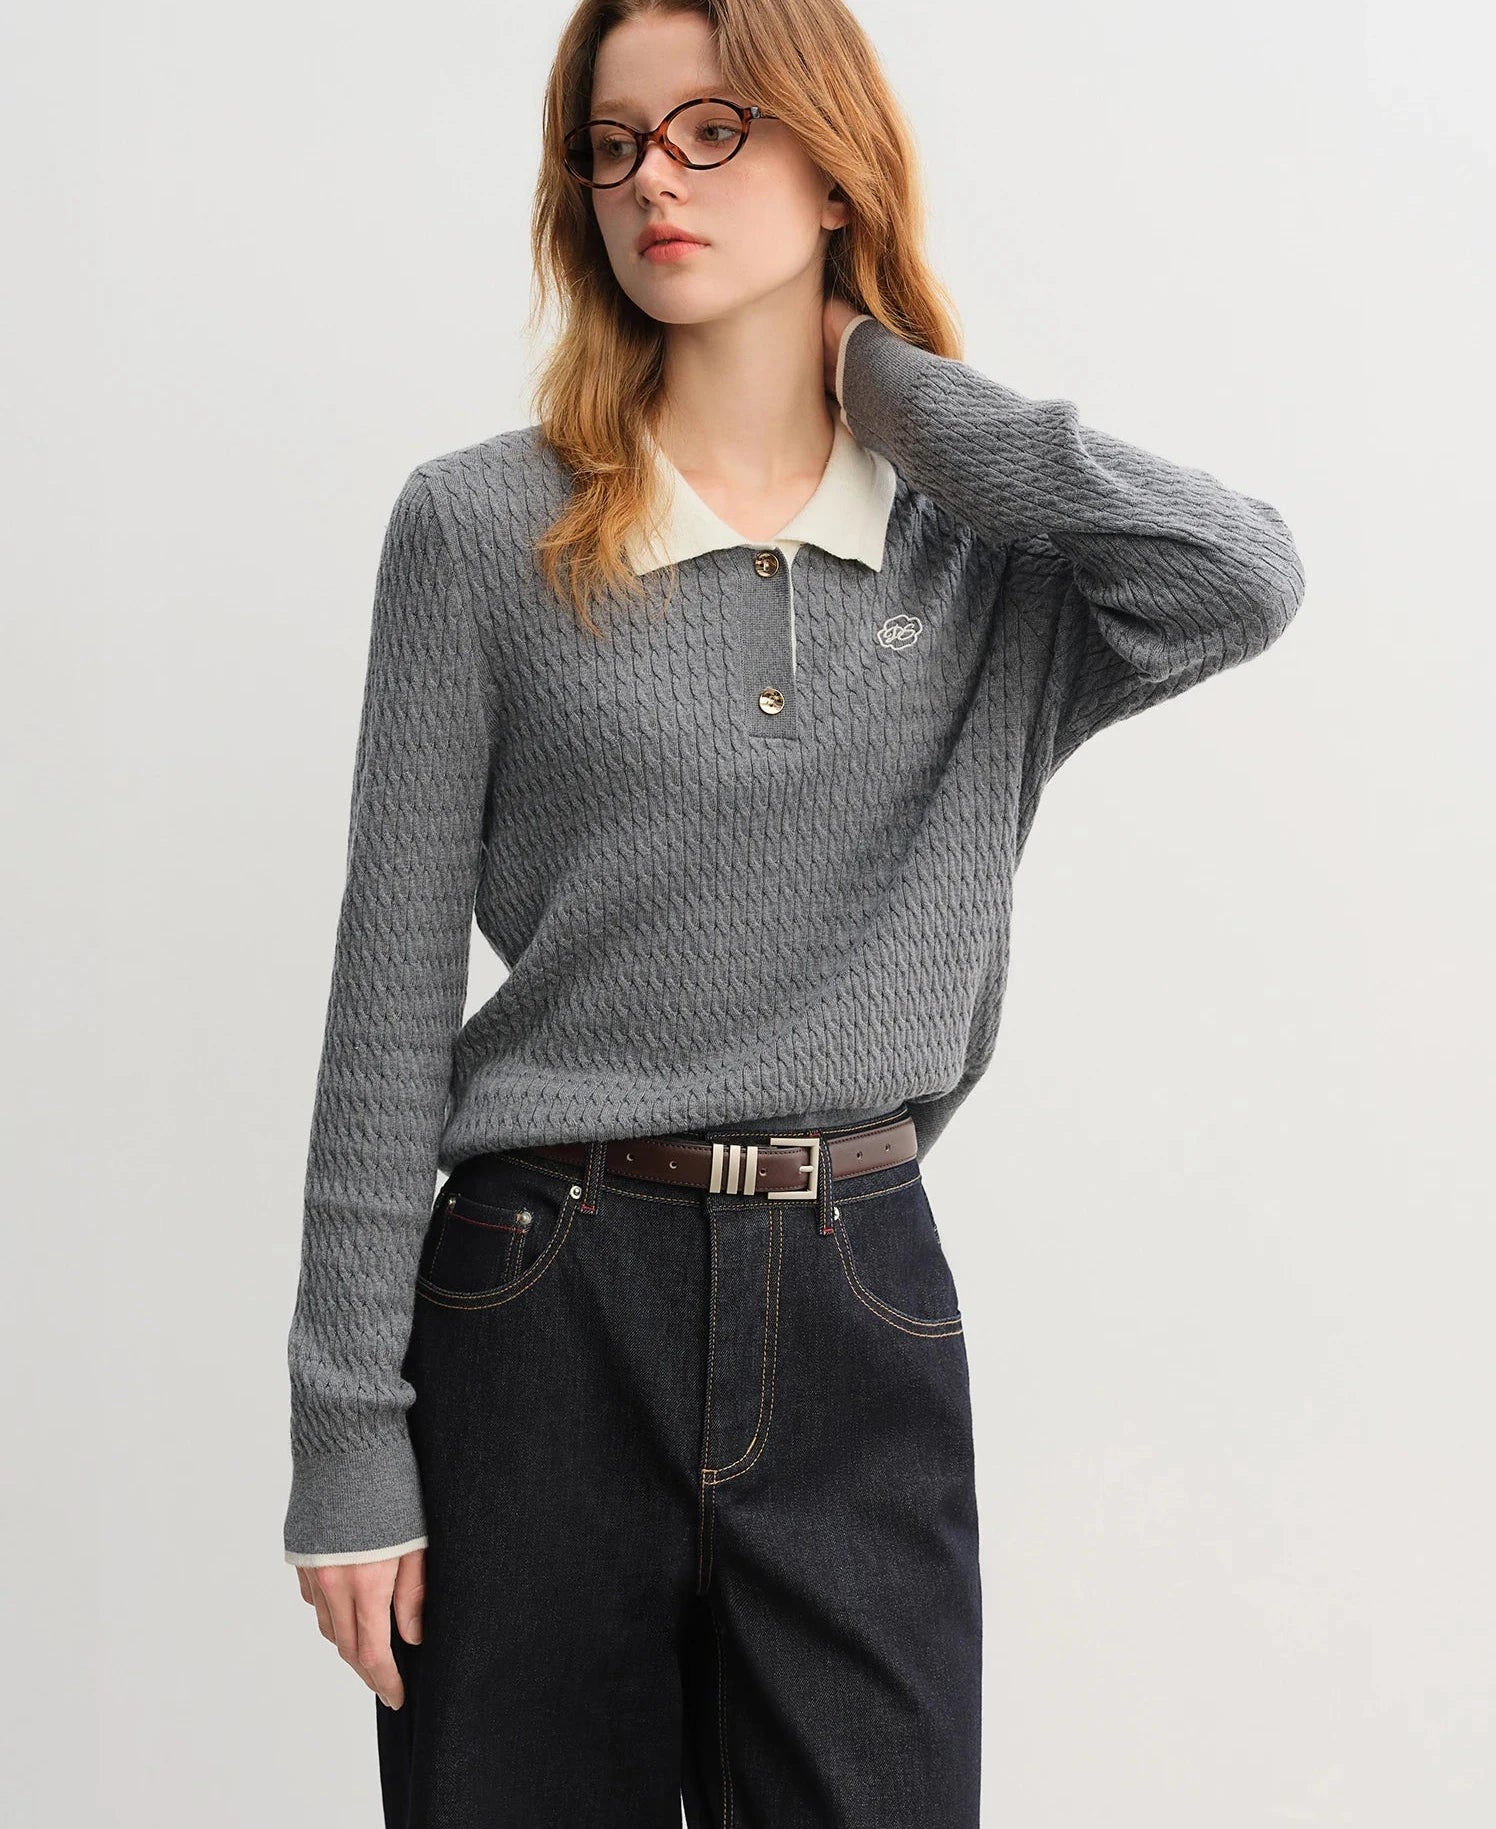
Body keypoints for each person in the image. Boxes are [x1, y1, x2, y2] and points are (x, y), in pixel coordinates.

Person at [282, 1, 1306, 1823]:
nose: (652, 183)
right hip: (540, 1300)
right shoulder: (477, 533)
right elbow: (386, 1003)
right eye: (614, 145)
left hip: (857, 1294)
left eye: (713, 130)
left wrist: (890, 384)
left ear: (834, 165)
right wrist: (345, 1433)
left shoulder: (986, 569)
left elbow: (1237, 574)